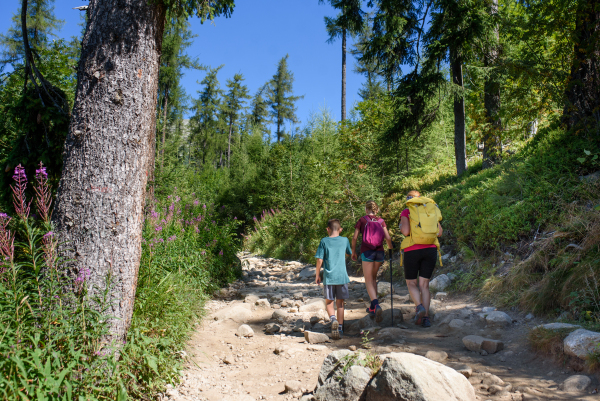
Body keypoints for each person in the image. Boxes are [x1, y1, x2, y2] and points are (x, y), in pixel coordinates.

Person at [400, 190, 443, 328]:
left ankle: (419, 307)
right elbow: (439, 232)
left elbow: (406, 232)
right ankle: (426, 319)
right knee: (424, 285)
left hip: (412, 250)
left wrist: (401, 226)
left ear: (408, 199)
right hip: (430, 249)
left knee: (411, 283)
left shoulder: (407, 211)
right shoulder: (430, 209)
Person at [351, 201, 393, 322]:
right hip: (379, 252)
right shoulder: (381, 221)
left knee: (368, 280)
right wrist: (390, 247)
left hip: (367, 251)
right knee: (373, 278)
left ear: (366, 209)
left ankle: (376, 304)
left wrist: (354, 251)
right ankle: (373, 307)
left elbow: (354, 238)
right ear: (376, 209)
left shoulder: (362, 220)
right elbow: (388, 238)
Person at [315, 219, 353, 340]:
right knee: (340, 304)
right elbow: (349, 253)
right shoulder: (345, 240)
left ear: (328, 229)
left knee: (329, 302)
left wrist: (317, 275)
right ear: (340, 229)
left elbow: (319, 260)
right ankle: (340, 328)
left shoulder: (324, 241)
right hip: (342, 277)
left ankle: (333, 319)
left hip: (329, 277)